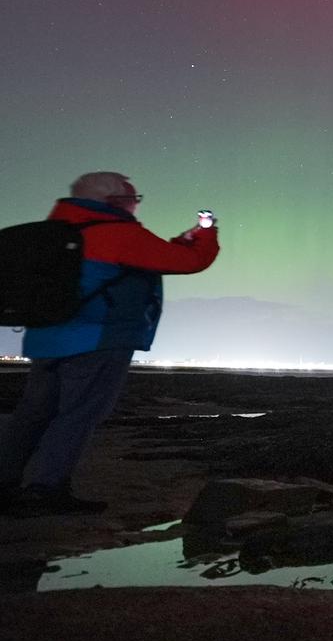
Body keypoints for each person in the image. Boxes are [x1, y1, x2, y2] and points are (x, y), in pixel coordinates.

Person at [1, 172, 219, 515]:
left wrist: (181, 239)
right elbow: (189, 262)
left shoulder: (57, 230)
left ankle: (6, 483)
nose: (135, 205)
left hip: (45, 338)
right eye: (133, 199)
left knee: (31, 414)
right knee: (79, 414)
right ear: (113, 202)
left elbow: (155, 255)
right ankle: (45, 490)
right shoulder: (119, 232)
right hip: (98, 340)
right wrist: (206, 232)